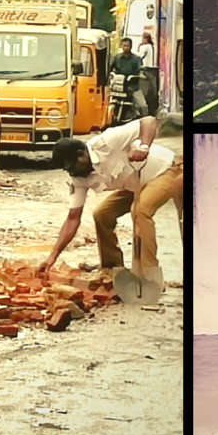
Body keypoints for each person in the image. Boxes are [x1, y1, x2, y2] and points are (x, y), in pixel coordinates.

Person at [40, 116, 183, 277]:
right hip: (134, 185)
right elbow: (73, 218)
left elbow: (149, 121)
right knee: (102, 214)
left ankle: (149, 274)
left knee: (140, 210)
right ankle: (112, 269)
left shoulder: (106, 142)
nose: (72, 172)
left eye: (72, 166)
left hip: (166, 170)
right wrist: (52, 256)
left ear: (82, 154)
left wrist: (143, 147)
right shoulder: (78, 178)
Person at [113, 38, 148, 117]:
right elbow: (109, 69)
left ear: (131, 46)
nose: (126, 47)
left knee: (142, 106)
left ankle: (145, 121)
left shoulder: (136, 59)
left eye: (127, 46)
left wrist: (140, 74)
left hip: (133, 86)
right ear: (121, 46)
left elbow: (141, 69)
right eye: (124, 45)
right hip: (118, 87)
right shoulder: (117, 58)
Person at [137, 32, 160, 116]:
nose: (142, 40)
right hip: (152, 69)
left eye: (143, 38)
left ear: (146, 39)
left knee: (144, 89)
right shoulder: (151, 46)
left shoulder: (145, 47)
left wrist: (139, 47)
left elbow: (139, 56)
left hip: (146, 68)